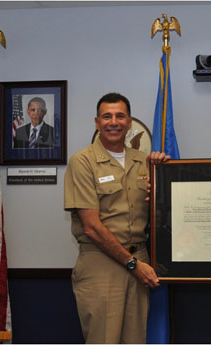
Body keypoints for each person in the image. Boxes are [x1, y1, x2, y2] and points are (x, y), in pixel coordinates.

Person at [64, 92, 168, 344]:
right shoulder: (83, 161)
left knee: (135, 340)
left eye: (120, 116)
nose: (114, 122)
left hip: (139, 261)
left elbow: (161, 214)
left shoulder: (143, 161)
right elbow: (91, 226)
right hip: (102, 264)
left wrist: (166, 175)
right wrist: (133, 264)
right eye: (107, 116)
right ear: (97, 122)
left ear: (130, 122)